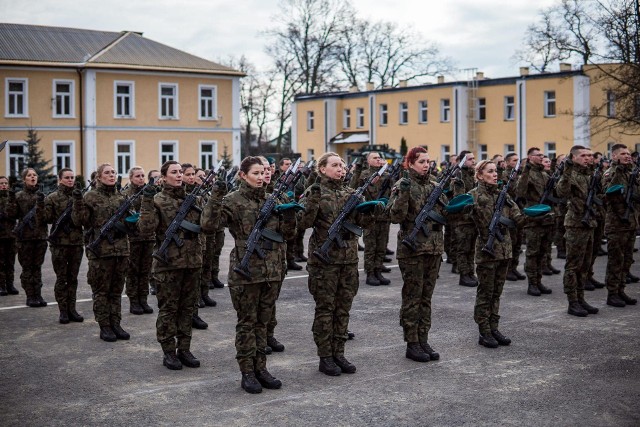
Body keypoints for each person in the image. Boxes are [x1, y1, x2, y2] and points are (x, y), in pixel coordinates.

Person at [210, 156, 297, 393]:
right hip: (246, 272)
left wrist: (290, 214)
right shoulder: (233, 200)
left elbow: (287, 235)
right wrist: (216, 197)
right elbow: (209, 226)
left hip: (271, 271)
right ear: (243, 175)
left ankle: (262, 368)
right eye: (256, 173)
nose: (261, 177)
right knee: (247, 323)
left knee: (263, 324)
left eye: (264, 172)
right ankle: (247, 372)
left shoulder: (273, 199)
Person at [298, 152, 384, 376]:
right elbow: (303, 223)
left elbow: (364, 225)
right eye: (335, 165)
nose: (341, 169)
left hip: (348, 260)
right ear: (322, 169)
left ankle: (339, 352)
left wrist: (372, 211)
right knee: (325, 310)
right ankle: (325, 356)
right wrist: (313, 200)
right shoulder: (315, 192)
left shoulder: (352, 193)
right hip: (324, 262)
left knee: (343, 309)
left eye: (343, 166)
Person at [138, 160, 219, 370]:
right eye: (173, 172)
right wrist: (146, 200)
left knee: (187, 309)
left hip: (192, 263)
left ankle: (184, 348)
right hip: (168, 265)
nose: (179, 175)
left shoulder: (195, 199)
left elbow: (208, 227)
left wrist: (216, 198)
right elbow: (146, 229)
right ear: (163, 177)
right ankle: (168, 351)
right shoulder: (156, 200)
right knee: (169, 309)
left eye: (180, 172)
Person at [387, 147, 444, 362]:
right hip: (412, 250)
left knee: (426, 297)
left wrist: (458, 201)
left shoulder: (435, 187)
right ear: (410, 164)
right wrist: (402, 193)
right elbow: (394, 216)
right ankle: (412, 343)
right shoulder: (403, 186)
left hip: (434, 248)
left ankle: (423, 339)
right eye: (422, 161)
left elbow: (446, 214)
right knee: (412, 297)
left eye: (428, 161)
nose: (426, 165)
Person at [466, 160, 526, 348]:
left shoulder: (503, 195)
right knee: (485, 293)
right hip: (486, 252)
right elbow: (461, 220)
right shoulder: (473, 196)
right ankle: (484, 331)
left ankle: (494, 327)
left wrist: (533, 216)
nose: (495, 174)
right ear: (480, 175)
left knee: (497, 293)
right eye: (490, 171)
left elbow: (517, 218)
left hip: (504, 251)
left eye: (496, 171)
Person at [72, 163, 130, 342]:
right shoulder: (90, 196)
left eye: (113, 172)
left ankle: (116, 323)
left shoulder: (121, 197)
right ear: (99, 177)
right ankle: (104, 326)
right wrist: (78, 202)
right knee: (101, 291)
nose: (112, 175)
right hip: (100, 252)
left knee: (116, 291)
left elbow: (129, 220)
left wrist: (132, 220)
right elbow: (79, 221)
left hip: (120, 250)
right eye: (107, 173)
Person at [555, 146, 599, 316]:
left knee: (585, 265)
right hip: (575, 224)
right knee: (573, 265)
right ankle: (572, 302)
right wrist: (566, 171)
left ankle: (581, 298)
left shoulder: (589, 174)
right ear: (573, 158)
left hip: (590, 223)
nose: (588, 158)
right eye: (583, 156)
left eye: (589, 155)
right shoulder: (570, 174)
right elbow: (561, 192)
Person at [44, 168, 85, 323]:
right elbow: (46, 219)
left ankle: (72, 309)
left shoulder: (79, 198)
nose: (70, 180)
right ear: (60, 179)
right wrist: (41, 204)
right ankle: (63, 311)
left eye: (72, 177)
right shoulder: (52, 197)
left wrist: (79, 201)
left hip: (75, 243)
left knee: (73, 278)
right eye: (67, 177)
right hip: (59, 244)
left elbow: (82, 219)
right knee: (62, 278)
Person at [602, 144, 638, 307]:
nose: (627, 156)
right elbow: (607, 194)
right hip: (616, 224)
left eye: (629, 154)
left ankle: (621, 290)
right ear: (614, 156)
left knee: (627, 260)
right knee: (616, 260)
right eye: (623, 154)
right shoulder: (611, 173)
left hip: (630, 222)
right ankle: (612, 293)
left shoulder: (631, 173)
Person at [516, 147, 554, 297]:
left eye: (542, 155)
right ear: (530, 157)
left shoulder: (544, 174)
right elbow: (520, 192)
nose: (541, 157)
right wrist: (525, 171)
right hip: (533, 219)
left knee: (543, 253)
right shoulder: (527, 174)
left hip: (546, 218)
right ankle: (532, 283)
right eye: (538, 155)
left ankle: (538, 281)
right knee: (532, 253)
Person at [13, 168, 48, 307]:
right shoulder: (19, 196)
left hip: (40, 237)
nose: (32, 177)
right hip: (25, 238)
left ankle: (38, 294)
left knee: (37, 268)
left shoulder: (42, 196)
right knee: (27, 268)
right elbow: (12, 214)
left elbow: (47, 216)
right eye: (29, 175)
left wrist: (41, 204)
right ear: (24, 179)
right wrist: (10, 199)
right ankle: (30, 296)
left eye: (34, 175)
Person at [123, 166, 155, 316]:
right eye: (137, 176)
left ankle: (143, 299)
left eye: (143, 175)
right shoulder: (125, 195)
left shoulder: (149, 193)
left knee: (145, 271)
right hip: (133, 238)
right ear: (131, 178)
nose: (141, 178)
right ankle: (134, 301)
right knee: (133, 271)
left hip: (148, 238)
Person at [358, 151, 393, 286]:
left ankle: (378, 270)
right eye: (375, 158)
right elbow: (356, 189)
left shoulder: (386, 175)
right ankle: (370, 273)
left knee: (381, 246)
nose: (378, 160)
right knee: (371, 247)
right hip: (370, 216)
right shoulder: (364, 175)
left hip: (383, 216)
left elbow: (391, 194)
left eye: (379, 157)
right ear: (368, 161)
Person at [450, 151, 478, 287]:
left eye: (474, 158)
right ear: (462, 161)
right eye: (470, 159)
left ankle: (470, 272)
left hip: (473, 217)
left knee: (472, 248)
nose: (473, 161)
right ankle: (463, 275)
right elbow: (458, 197)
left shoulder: (474, 175)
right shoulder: (459, 175)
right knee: (463, 248)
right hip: (463, 218)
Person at [0, 176, 19, 296]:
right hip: (0, 236)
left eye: (5, 183)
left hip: (11, 235)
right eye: (1, 183)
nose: (4, 185)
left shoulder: (12, 198)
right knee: (0, 262)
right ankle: (1, 286)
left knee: (10, 262)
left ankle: (10, 284)